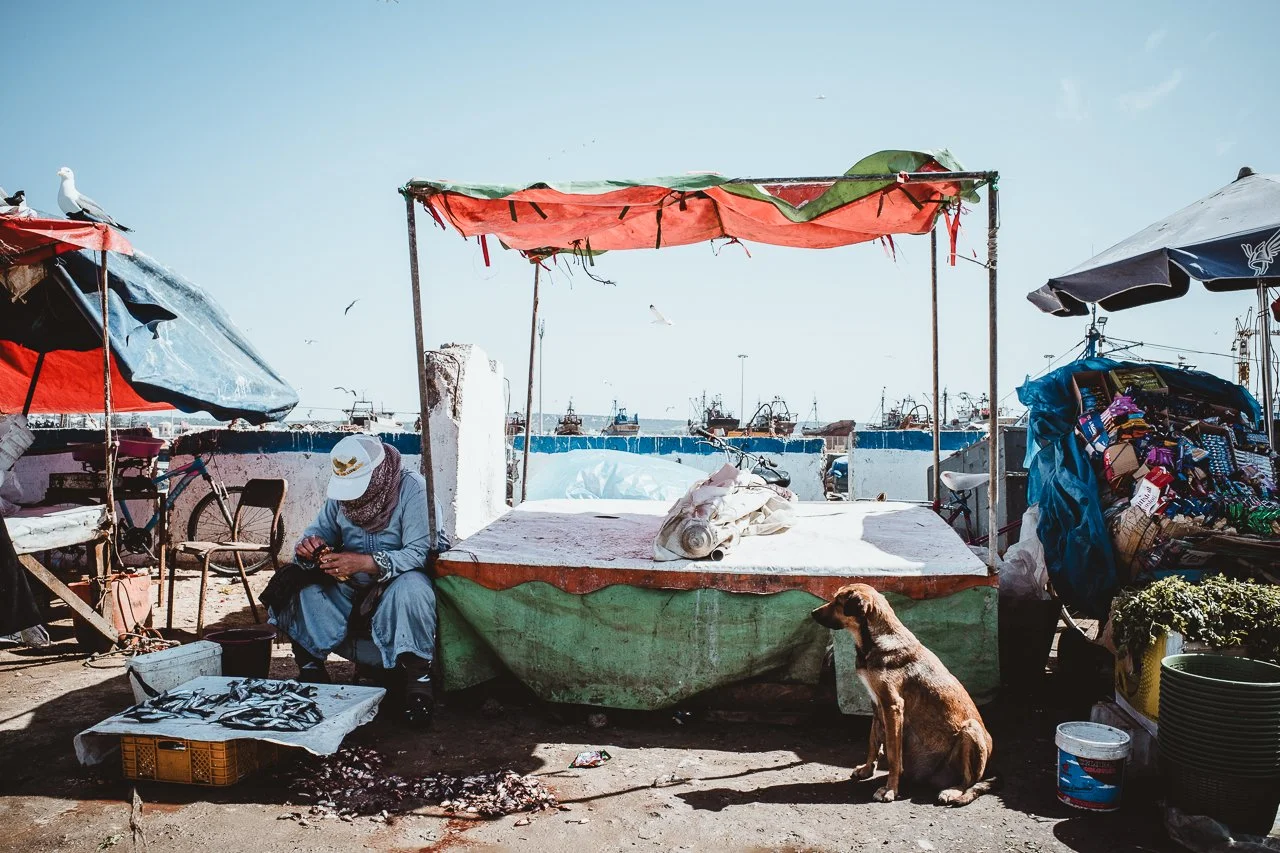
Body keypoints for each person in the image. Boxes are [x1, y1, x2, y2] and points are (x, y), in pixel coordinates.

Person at [265, 434, 437, 727]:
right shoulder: (340, 500)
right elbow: (317, 532)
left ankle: (418, 684)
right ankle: (311, 671)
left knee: (413, 590)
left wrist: (367, 563)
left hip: (395, 585)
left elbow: (419, 553)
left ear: (378, 474)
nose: (352, 497)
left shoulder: (413, 489)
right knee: (293, 580)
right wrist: (309, 547)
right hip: (350, 588)